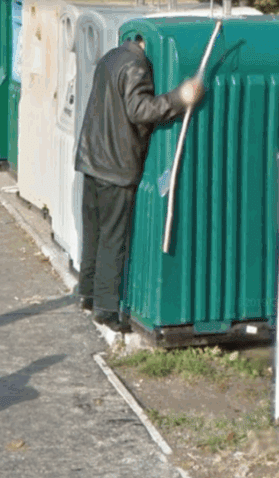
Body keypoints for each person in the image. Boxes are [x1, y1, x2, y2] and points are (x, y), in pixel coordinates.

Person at [74, 34, 206, 333]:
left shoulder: (112, 56)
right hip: (115, 166)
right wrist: (179, 98)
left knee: (94, 231)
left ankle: (87, 292)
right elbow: (140, 110)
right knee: (113, 238)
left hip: (91, 157)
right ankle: (106, 309)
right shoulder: (137, 66)